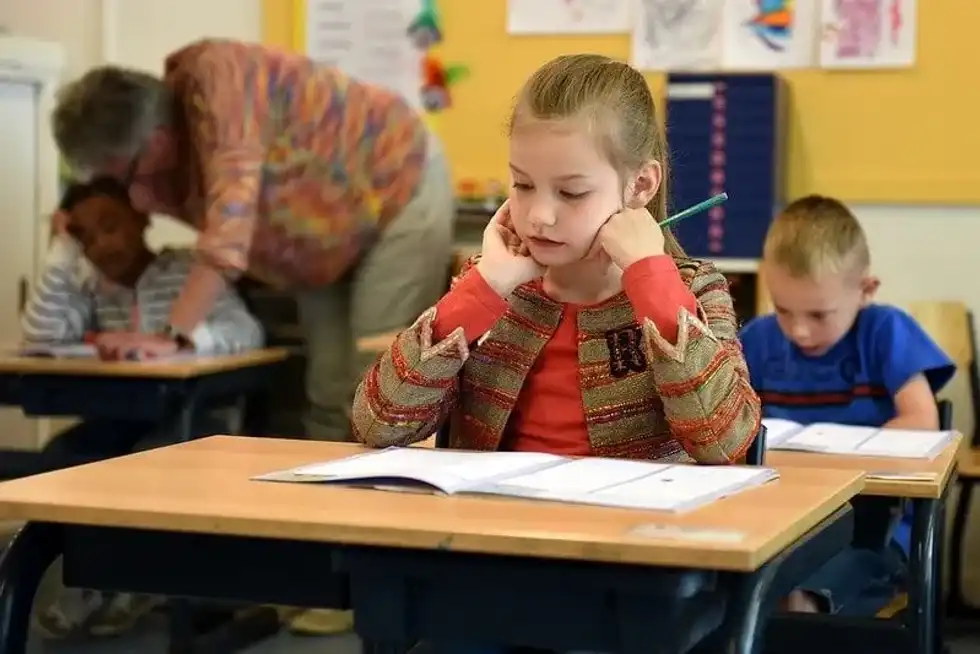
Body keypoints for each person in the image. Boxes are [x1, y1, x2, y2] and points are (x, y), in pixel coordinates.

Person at [50, 38, 454, 635]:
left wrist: (172, 333)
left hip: (396, 192)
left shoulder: (219, 79)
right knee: (323, 398)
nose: (132, 195)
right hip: (317, 241)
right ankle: (327, 571)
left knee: (383, 392)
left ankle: (388, 581)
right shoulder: (157, 150)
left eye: (125, 176)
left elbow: (230, 223)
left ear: (155, 143)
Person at [353, 53, 761, 469]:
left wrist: (652, 281)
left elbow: (724, 442)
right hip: (495, 523)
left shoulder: (694, 290)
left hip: (627, 528)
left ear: (640, 185)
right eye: (523, 184)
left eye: (571, 193)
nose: (538, 216)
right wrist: (483, 290)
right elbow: (379, 423)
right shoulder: (494, 286)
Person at [24, 176, 264, 639]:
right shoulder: (90, 287)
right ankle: (90, 583)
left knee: (145, 467)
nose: (102, 245)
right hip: (123, 416)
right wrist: (61, 253)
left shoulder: (187, 272)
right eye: (85, 237)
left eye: (110, 225)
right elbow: (41, 336)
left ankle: (128, 583)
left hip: (194, 418)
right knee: (62, 458)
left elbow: (246, 331)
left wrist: (174, 343)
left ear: (141, 219)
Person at [740, 194, 955, 615]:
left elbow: (922, 420)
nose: (799, 331)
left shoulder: (885, 330)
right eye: (784, 310)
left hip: (874, 526)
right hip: (782, 517)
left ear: (865, 291)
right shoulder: (760, 339)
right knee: (727, 584)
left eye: (819, 315)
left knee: (801, 596)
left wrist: (830, 459)